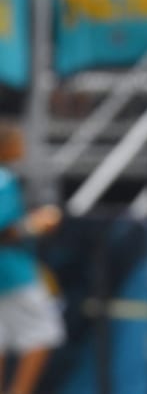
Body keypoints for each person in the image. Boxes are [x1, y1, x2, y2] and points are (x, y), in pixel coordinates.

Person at [0, 122, 65, 394]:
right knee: (44, 331)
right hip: (12, 271)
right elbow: (5, 228)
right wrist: (36, 224)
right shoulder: (3, 179)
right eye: (18, 141)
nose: (23, 147)